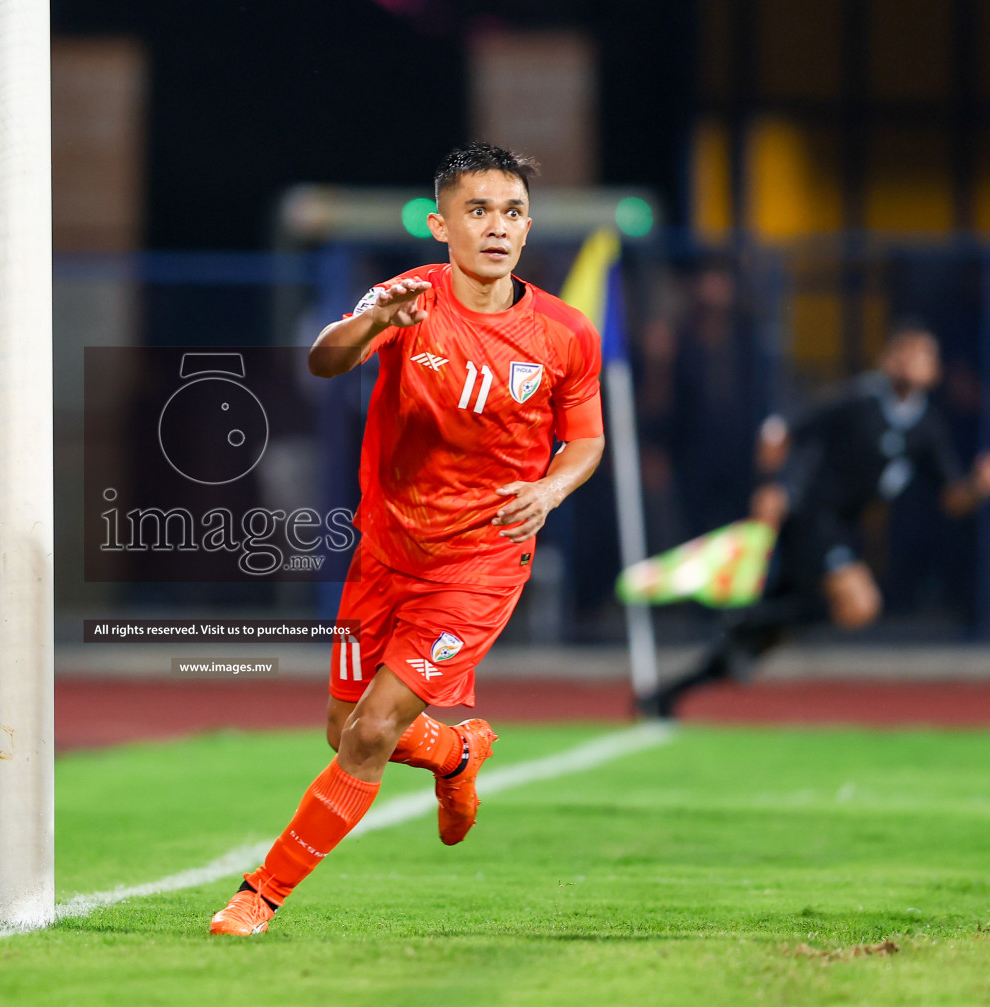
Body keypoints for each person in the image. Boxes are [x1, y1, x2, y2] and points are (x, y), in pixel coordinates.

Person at [208, 142, 606, 935]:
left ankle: (261, 894)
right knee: (343, 725)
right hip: (386, 550)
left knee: (373, 731)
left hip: (480, 561)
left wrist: (551, 489)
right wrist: (369, 323)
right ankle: (457, 754)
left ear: (528, 228)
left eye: (514, 212)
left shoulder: (564, 333)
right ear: (440, 223)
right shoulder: (407, 299)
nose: (498, 227)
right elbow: (323, 362)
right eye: (479, 210)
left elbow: (586, 440)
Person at [637, 323, 990, 719]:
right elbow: (779, 432)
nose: (913, 363)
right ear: (888, 359)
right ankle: (743, 623)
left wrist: (977, 486)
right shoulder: (859, 401)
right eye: (905, 353)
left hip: (845, 528)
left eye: (924, 356)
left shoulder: (926, 427)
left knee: (768, 636)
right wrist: (770, 485)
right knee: (859, 606)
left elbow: (951, 498)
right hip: (812, 517)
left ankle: (668, 693)